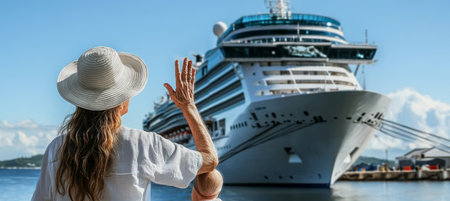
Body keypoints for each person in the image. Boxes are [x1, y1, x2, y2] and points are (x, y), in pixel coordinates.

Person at [32, 46, 219, 201]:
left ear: (79, 100)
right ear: (122, 102)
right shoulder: (143, 145)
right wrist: (188, 106)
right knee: (212, 179)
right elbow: (210, 160)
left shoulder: (56, 149)